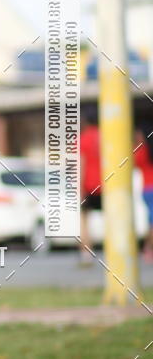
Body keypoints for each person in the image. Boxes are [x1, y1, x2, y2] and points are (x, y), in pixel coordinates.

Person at [79, 104, 101, 267]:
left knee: (85, 221)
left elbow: (81, 165)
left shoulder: (83, 139)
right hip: (107, 184)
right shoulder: (106, 137)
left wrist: (80, 189)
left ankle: (86, 254)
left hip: (88, 185)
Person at [134, 125, 153, 262]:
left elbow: (132, 161)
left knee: (151, 222)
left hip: (147, 189)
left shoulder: (142, 151)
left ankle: (148, 248)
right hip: (149, 190)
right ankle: (148, 248)